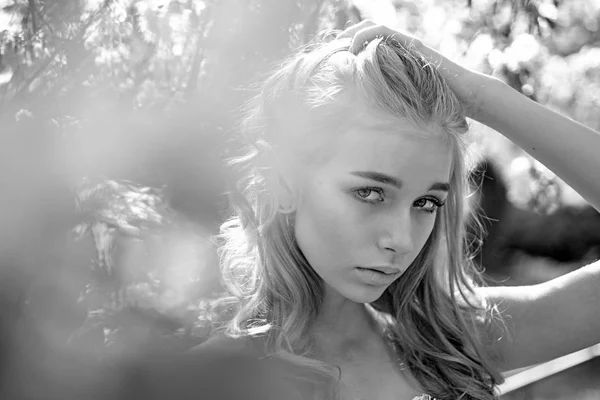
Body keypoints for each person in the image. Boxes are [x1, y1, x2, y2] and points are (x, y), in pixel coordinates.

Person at [190, 20, 600, 400]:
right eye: (370, 193)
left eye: (426, 203)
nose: (401, 240)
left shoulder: (455, 341)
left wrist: (480, 97)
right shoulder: (210, 381)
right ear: (284, 183)